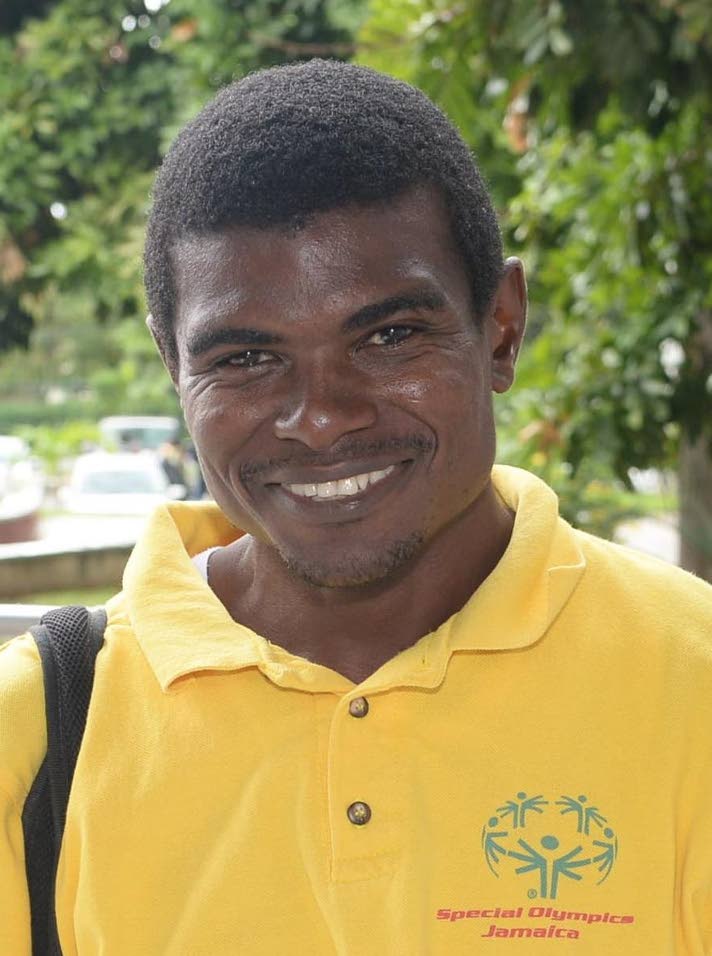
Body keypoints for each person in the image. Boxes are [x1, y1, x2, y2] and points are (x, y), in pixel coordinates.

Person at [1, 60, 711, 955]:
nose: (323, 417)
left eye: (390, 336)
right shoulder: (41, 730)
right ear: (173, 367)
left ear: (500, 329)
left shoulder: (692, 681)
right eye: (245, 359)